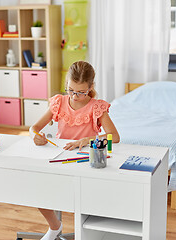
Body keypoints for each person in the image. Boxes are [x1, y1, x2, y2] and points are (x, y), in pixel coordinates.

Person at [29, 61, 120, 240]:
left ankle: (85, 232)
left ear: (91, 87)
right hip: (59, 157)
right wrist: (34, 135)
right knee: (36, 188)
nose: (75, 96)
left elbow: (114, 136)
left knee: (81, 198)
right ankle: (54, 226)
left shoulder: (96, 107)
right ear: (66, 84)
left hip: (84, 160)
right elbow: (34, 127)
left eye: (81, 92)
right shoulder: (58, 102)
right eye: (71, 90)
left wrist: (88, 139)